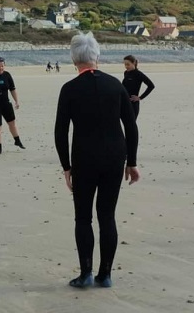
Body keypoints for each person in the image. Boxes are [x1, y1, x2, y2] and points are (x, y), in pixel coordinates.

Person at [54, 32, 140, 289]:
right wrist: (132, 162)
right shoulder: (116, 85)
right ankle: (106, 275)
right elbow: (131, 127)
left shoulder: (69, 89)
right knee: (107, 216)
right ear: (97, 57)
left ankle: (85, 274)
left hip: (84, 157)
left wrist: (66, 167)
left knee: (83, 218)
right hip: (115, 156)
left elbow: (60, 132)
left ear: (73, 59)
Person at [122, 55, 155, 120]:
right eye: (125, 64)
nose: (126, 66)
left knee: (132, 125)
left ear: (134, 63)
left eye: (128, 64)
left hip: (133, 104)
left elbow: (151, 86)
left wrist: (140, 97)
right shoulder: (126, 73)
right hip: (125, 102)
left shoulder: (138, 74)